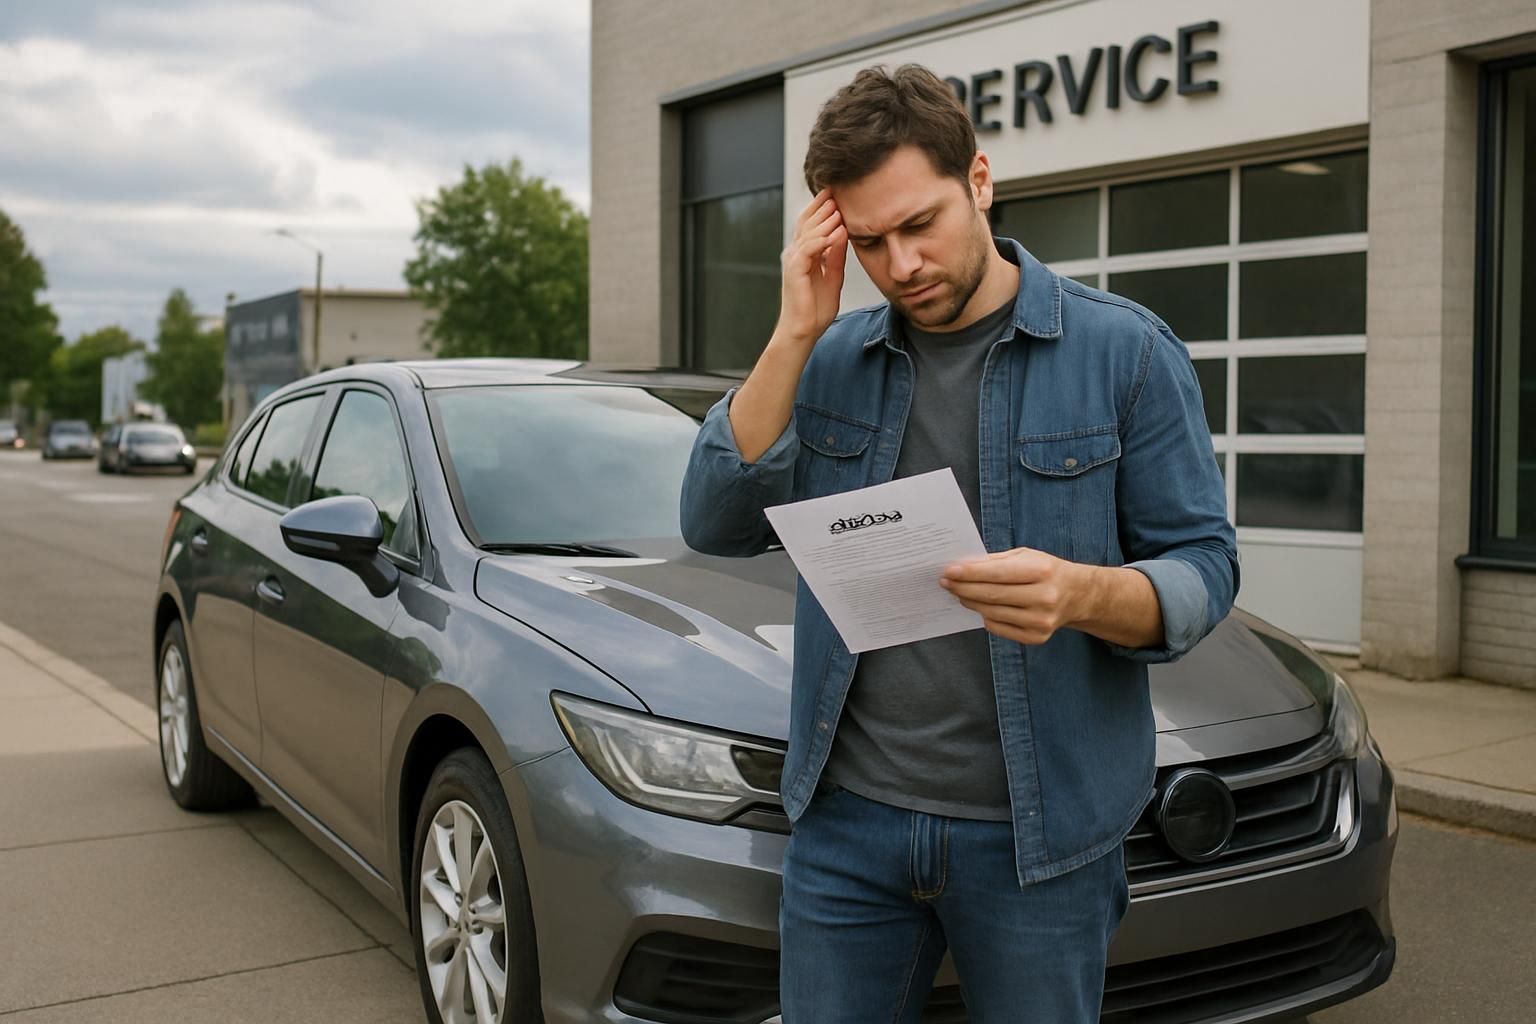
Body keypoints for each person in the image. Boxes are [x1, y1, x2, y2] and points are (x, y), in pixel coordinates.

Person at [679, 63, 1238, 1023]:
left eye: (919, 224)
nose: (899, 265)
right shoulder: (830, 363)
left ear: (978, 181)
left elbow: (1205, 568)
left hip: (1040, 841)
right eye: (869, 243)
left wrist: (1083, 594)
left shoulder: (1127, 354)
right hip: (848, 826)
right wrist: (793, 331)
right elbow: (714, 520)